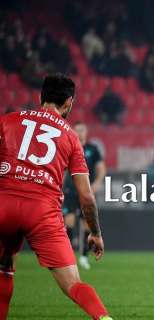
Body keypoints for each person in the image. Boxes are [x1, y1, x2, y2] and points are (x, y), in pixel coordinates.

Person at [0, 74, 112, 319]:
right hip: (42, 213)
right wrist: (95, 233)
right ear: (69, 102)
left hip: (3, 205)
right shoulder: (71, 137)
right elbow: (87, 197)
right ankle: (104, 318)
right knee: (73, 284)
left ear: (41, 97)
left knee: (5, 267)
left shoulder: (7, 121)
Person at [62, 122, 107, 270]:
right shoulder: (69, 146)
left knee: (86, 224)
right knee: (68, 223)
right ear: (73, 131)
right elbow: (61, 169)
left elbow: (101, 168)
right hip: (70, 190)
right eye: (78, 130)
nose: (80, 132)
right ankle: (67, 257)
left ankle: (83, 256)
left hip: (85, 191)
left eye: (83, 130)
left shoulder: (92, 150)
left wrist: (98, 182)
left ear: (86, 132)